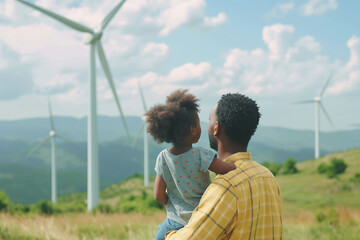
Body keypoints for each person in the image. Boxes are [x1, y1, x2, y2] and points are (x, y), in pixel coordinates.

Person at [166, 93, 283, 239]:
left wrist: (169, 234)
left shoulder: (227, 186)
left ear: (216, 128)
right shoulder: (267, 176)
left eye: (209, 119)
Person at [145, 89, 236, 240]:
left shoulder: (163, 158)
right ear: (193, 129)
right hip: (201, 221)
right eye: (199, 123)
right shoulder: (200, 155)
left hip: (173, 223)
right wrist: (237, 163)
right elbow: (227, 169)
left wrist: (173, 202)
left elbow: (158, 195)